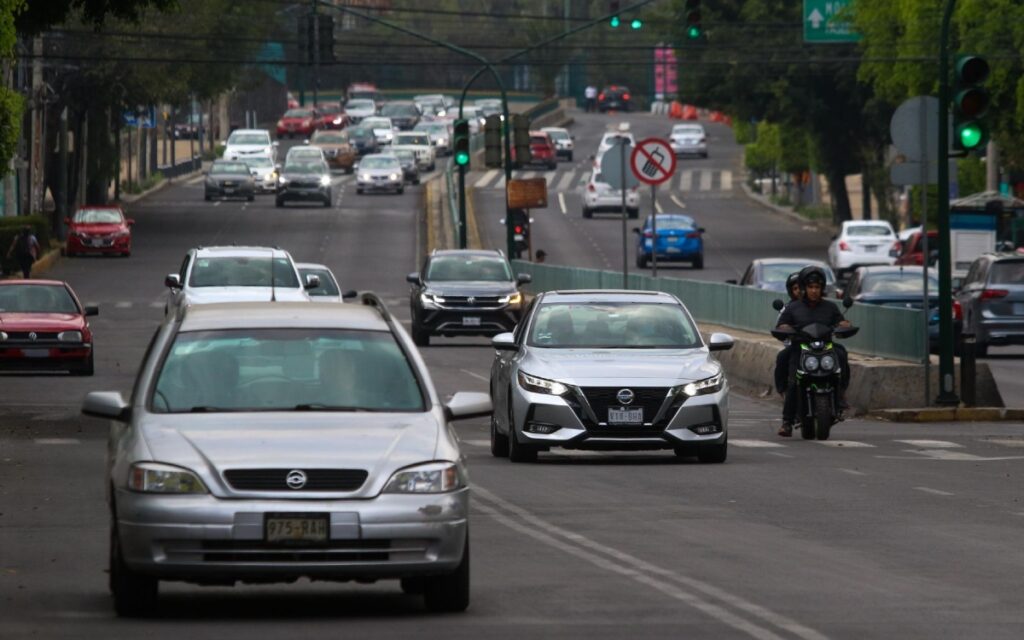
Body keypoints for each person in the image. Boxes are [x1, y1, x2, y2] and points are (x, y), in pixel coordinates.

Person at [775, 266, 851, 437]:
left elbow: (840, 322)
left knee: (840, 358)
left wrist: (844, 324)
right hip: (801, 349)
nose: (814, 291)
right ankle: (787, 421)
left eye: (817, 287)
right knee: (794, 381)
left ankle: (840, 398)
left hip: (825, 348)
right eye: (811, 287)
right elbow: (781, 325)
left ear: (822, 288)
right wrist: (784, 327)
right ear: (804, 288)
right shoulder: (793, 308)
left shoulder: (830, 307)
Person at [772, 272, 802, 397]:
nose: (799, 291)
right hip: (798, 346)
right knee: (782, 357)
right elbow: (780, 328)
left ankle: (841, 392)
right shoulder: (788, 309)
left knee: (841, 353)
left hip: (822, 346)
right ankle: (784, 391)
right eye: (795, 288)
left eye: (802, 287)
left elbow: (836, 320)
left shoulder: (825, 306)